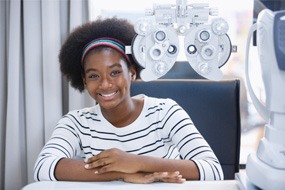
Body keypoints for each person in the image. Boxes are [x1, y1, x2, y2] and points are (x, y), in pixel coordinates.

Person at [33, 17, 224, 184]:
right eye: (93, 76)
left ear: (131, 73)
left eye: (115, 72)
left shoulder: (165, 112)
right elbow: (43, 168)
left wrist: (137, 162)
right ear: (84, 81)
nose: (105, 84)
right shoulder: (76, 122)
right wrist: (121, 172)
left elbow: (213, 170)